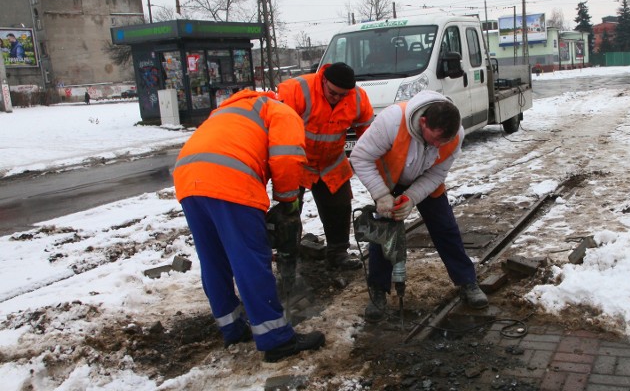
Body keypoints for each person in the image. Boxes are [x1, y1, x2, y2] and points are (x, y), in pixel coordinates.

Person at [173, 89, 325, 362]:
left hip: (187, 180)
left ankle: (231, 327)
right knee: (250, 260)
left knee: (213, 259)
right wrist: (288, 201)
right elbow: (287, 157)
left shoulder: (229, 110)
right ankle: (276, 339)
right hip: (230, 180)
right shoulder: (281, 110)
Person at [349, 90, 488, 323]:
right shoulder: (392, 121)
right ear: (423, 121)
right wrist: (381, 194)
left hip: (426, 182)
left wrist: (412, 197)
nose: (437, 145)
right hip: (388, 182)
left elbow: (438, 172)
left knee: (446, 229)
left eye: (443, 142)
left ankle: (467, 282)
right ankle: (378, 291)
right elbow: (360, 157)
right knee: (383, 234)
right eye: (435, 138)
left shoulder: (455, 135)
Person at [277, 62, 374, 271]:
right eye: (333, 93)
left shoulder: (358, 97)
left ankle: (338, 253)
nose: (337, 98)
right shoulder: (297, 90)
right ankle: (288, 258)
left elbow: (367, 133)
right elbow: (279, 128)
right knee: (289, 210)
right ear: (323, 80)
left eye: (342, 95)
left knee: (339, 207)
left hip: (331, 161)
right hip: (297, 161)